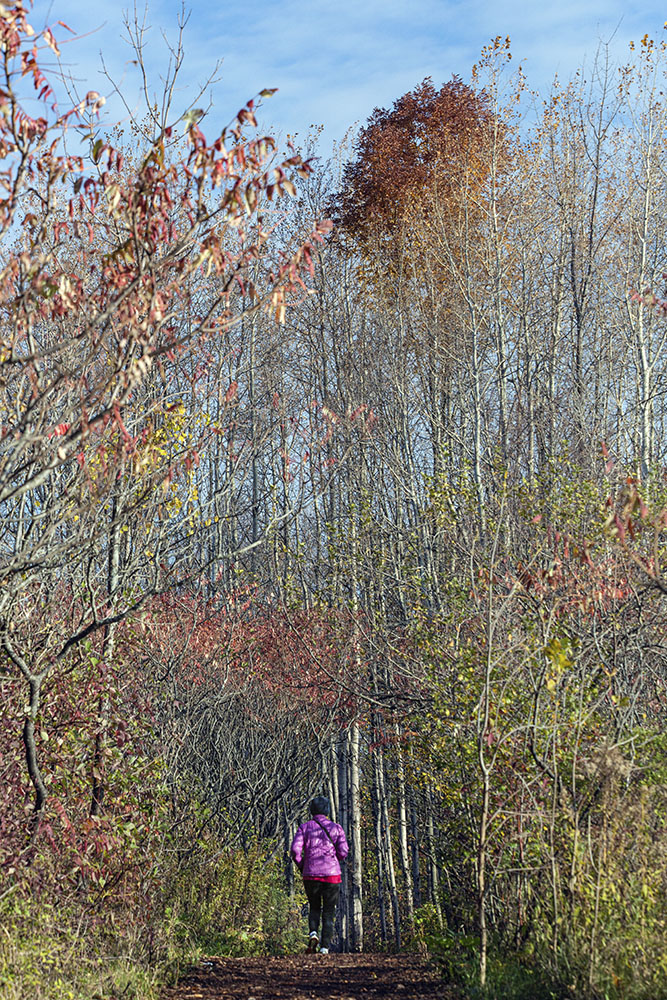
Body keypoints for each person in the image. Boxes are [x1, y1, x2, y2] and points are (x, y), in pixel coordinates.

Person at [290, 795, 349, 954]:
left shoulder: (304, 827)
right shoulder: (336, 828)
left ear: (311, 810)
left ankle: (313, 933)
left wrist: (303, 865)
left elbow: (295, 851)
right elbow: (344, 851)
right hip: (332, 876)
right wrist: (335, 859)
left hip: (311, 875)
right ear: (327, 810)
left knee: (314, 907)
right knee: (329, 912)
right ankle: (324, 948)